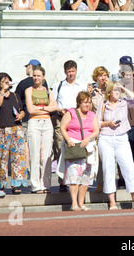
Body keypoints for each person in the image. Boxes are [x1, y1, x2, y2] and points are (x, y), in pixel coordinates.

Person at [96, 82, 134, 210]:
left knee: (129, 167)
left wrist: (123, 88)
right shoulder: (103, 105)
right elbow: (96, 123)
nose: (117, 93)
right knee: (108, 168)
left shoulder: (124, 102)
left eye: (118, 91)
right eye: (115, 91)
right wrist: (108, 123)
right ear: (109, 92)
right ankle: (112, 203)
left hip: (122, 138)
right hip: (106, 138)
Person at [57, 91, 99, 211]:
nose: (87, 105)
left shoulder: (92, 115)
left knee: (85, 177)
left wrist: (88, 138)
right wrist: (68, 140)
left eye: (89, 102)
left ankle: (81, 203)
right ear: (79, 102)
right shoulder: (71, 113)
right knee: (74, 176)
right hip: (74, 146)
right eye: (85, 102)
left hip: (88, 148)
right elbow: (63, 128)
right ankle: (74, 203)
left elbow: (96, 130)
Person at [0, 72, 28, 194]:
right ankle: (1, 183)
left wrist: (21, 114)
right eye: (3, 81)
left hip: (16, 129)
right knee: (1, 158)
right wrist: (2, 91)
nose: (6, 83)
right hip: (1, 130)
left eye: (8, 80)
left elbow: (22, 110)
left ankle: (17, 184)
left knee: (18, 157)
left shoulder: (15, 95)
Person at [51, 60, 87, 192]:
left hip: (78, 121)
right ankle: (62, 181)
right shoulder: (58, 86)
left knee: (79, 149)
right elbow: (53, 103)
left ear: (76, 71)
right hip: (62, 120)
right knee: (62, 149)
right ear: (65, 72)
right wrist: (60, 110)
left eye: (73, 71)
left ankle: (78, 180)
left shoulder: (81, 86)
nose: (71, 74)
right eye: (68, 71)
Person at [25, 66, 59, 194]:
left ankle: (46, 184)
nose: (36, 78)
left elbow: (54, 106)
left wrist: (42, 108)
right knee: (34, 153)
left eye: (38, 75)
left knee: (46, 155)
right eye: (34, 75)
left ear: (43, 77)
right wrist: (46, 107)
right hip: (34, 122)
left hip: (46, 122)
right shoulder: (29, 90)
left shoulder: (48, 90)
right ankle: (35, 184)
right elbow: (30, 109)